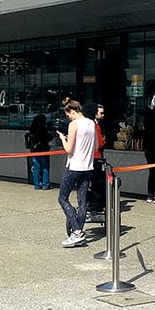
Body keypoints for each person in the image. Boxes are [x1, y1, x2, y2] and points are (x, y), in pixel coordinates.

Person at [56, 99, 96, 248]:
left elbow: (68, 149)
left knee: (63, 198)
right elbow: (95, 145)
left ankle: (77, 230)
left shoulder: (74, 125)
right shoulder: (91, 123)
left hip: (74, 166)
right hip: (88, 166)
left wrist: (62, 139)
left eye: (68, 115)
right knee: (82, 199)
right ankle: (78, 230)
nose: (69, 118)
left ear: (72, 111)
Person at [85, 102, 107, 223]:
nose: (103, 115)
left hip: (86, 160)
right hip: (96, 158)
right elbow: (99, 144)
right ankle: (96, 208)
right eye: (101, 113)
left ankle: (89, 205)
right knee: (98, 185)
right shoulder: (94, 126)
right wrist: (104, 139)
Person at [26, 114, 52, 190]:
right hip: (43, 150)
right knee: (45, 168)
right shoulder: (42, 129)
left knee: (36, 168)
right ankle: (45, 184)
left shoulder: (32, 129)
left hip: (34, 151)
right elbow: (49, 137)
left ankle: (37, 184)